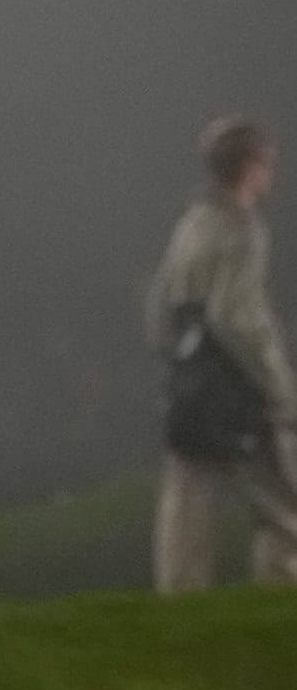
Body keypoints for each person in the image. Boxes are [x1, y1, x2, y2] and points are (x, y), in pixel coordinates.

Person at [144, 116, 297, 589]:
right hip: (239, 382)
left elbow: (160, 300)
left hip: (193, 378)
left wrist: (176, 359)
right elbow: (238, 317)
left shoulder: (193, 222)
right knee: (281, 501)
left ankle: (180, 599)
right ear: (251, 167)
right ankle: (281, 592)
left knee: (186, 499)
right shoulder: (241, 227)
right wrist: (279, 385)